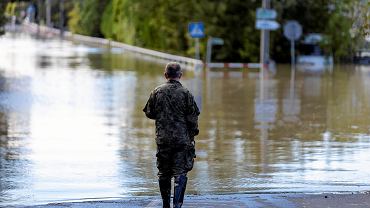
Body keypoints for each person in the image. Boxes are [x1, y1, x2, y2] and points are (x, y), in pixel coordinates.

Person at [143, 62, 200, 208]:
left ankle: (165, 205)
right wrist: (192, 136)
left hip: (163, 139)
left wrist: (163, 115)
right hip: (182, 140)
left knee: (163, 172)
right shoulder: (186, 93)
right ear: (180, 75)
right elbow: (193, 118)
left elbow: (149, 113)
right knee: (180, 172)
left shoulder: (157, 91)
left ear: (165, 75)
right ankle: (177, 205)